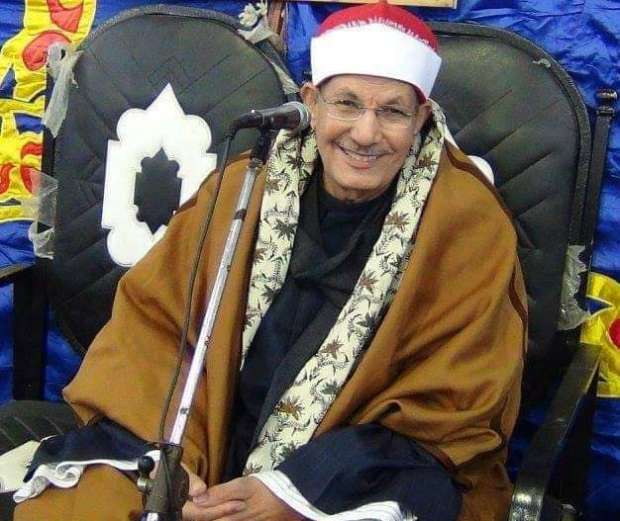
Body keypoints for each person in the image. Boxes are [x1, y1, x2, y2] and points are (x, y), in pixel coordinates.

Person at [13, 1, 526, 520]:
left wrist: (292, 493)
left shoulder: (467, 223)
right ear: (311, 103)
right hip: (204, 437)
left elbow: (450, 406)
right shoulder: (245, 185)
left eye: (392, 112)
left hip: (355, 472)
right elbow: (156, 333)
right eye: (346, 104)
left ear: (421, 118)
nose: (366, 134)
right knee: (84, 500)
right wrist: (173, 464)